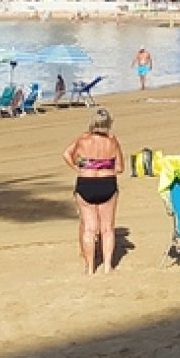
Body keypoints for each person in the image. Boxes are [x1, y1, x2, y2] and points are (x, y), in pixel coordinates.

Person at [62, 108, 123, 275]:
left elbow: (66, 154)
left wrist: (79, 167)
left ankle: (90, 268)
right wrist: (104, 167)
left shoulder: (83, 139)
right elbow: (120, 167)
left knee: (89, 228)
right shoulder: (112, 141)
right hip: (107, 183)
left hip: (86, 182)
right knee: (107, 228)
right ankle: (108, 266)